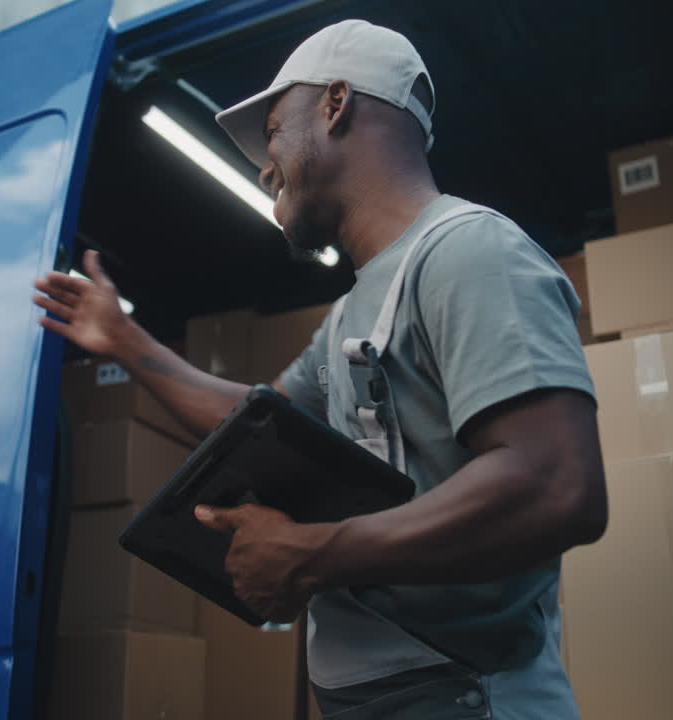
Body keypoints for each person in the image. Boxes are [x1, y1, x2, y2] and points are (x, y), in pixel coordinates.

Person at [33, 19, 606, 720]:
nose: (265, 167)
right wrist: (125, 341)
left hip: (464, 697)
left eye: (274, 131)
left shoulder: (469, 250)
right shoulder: (350, 313)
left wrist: (313, 553)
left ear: (336, 104)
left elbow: (558, 484)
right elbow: (256, 423)